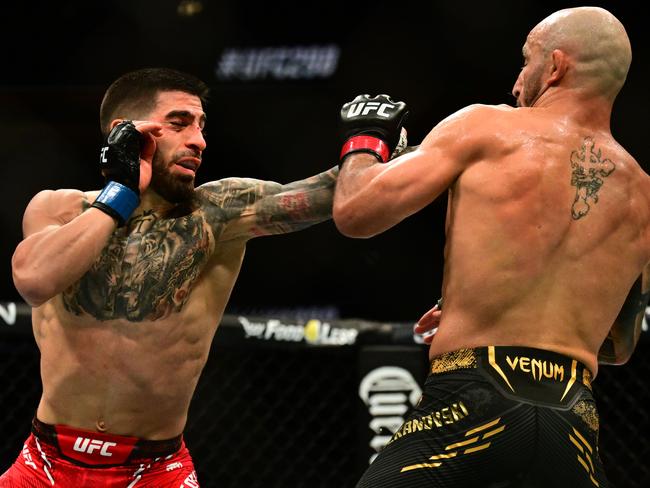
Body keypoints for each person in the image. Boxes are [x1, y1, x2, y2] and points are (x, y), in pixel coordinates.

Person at [334, 7, 649, 488]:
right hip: (573, 422)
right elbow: (620, 345)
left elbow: (356, 212)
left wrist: (365, 138)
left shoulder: (486, 127)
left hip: (472, 399)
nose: (518, 81)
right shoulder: (642, 194)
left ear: (557, 66)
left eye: (527, 61)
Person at [1, 67, 337, 487]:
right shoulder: (59, 208)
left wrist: (375, 143)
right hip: (44, 464)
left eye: (201, 126)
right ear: (128, 132)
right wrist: (120, 193)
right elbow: (34, 280)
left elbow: (335, 195)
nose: (198, 140)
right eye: (179, 124)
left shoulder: (220, 211)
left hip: (156, 471)